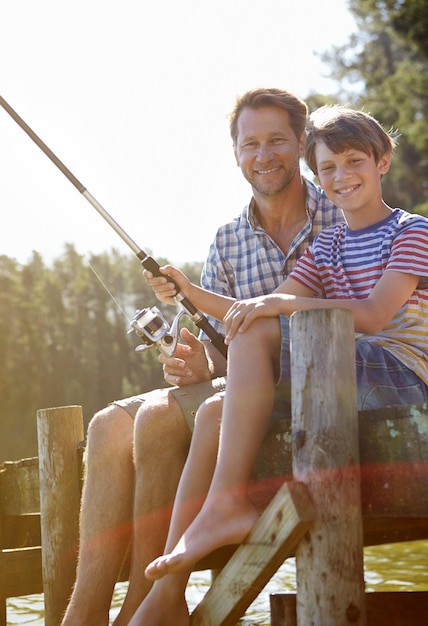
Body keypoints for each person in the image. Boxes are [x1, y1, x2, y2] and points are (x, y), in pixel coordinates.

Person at [128, 105, 428, 626]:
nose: (341, 176)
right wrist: (188, 290)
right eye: (327, 169)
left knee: (261, 325)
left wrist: (281, 306)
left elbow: (377, 314)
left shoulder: (411, 231)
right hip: (339, 374)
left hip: (402, 378)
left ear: (382, 161)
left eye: (354, 161)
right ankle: (167, 593)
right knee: (214, 412)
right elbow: (261, 306)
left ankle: (223, 506)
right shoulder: (327, 245)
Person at [60, 88, 344, 625]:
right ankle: (84, 614)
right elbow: (221, 351)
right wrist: (200, 366)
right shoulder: (226, 240)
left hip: (306, 385)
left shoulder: (341, 206)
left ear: (302, 142)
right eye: (250, 143)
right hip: (239, 381)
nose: (264, 155)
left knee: (159, 418)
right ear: (235, 152)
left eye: (277, 140)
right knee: (105, 426)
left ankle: (146, 606)